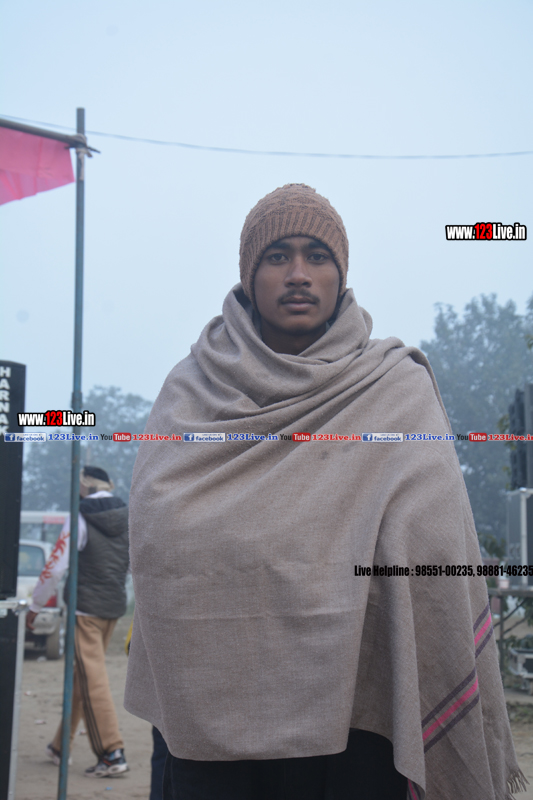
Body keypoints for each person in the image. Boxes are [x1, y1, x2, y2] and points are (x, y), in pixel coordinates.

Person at [124, 184, 524, 799]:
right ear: (249, 276)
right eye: (277, 256)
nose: (298, 274)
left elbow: (434, 542)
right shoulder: (191, 391)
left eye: (317, 256)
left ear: (341, 274)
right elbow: (162, 536)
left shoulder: (395, 389)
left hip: (363, 717)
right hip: (210, 712)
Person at [27, 465, 130, 778]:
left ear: (83, 487)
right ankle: (60, 746)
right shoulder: (128, 516)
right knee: (84, 674)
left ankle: (111, 752)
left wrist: (35, 604)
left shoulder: (80, 516)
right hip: (113, 607)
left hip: (84, 610)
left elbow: (56, 566)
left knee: (92, 679)